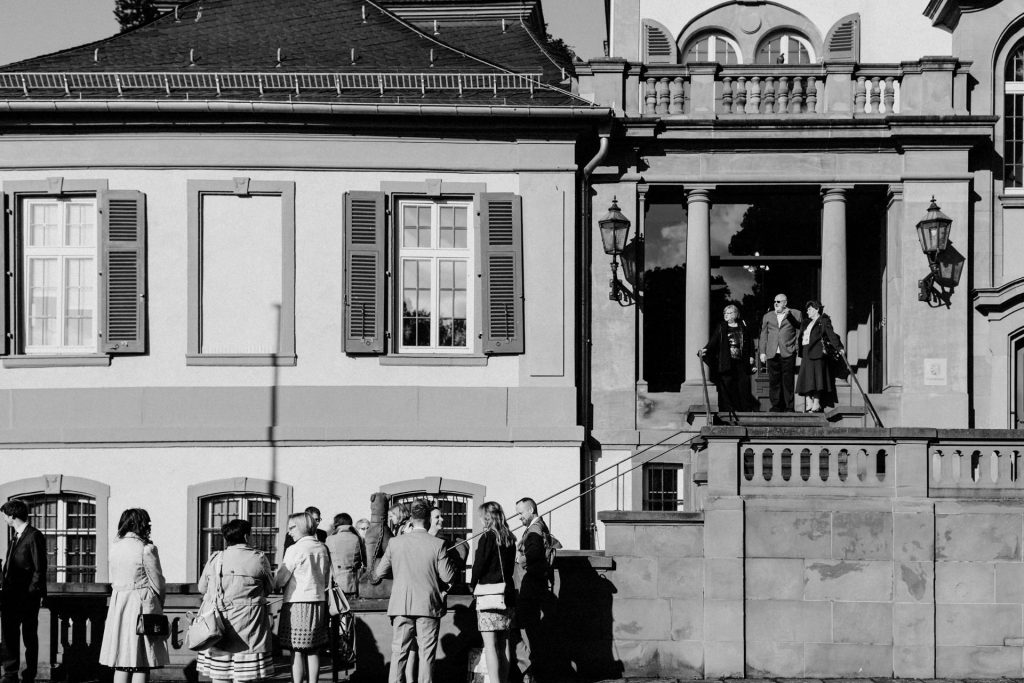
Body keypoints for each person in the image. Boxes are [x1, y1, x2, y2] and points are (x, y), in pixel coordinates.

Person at [371, 499, 454, 683]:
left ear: (411, 518)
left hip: (401, 604)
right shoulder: (437, 544)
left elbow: (379, 573)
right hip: (427, 605)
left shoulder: (395, 542)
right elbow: (448, 577)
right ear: (427, 519)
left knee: (399, 653)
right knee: (426, 655)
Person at [196, 519, 274, 683]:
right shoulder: (258, 558)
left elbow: (202, 588)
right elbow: (269, 587)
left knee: (220, 676)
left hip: (218, 625)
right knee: (244, 677)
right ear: (247, 536)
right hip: (249, 625)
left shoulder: (216, 558)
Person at [98, 508, 169, 683]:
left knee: (122, 661)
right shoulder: (146, 549)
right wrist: (159, 604)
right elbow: (157, 582)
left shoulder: (115, 547)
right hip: (140, 604)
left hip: (119, 604)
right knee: (141, 660)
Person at [275, 512, 331, 683]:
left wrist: (274, 583)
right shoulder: (322, 547)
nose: (289, 532)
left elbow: (282, 578)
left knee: (296, 649)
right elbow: (327, 577)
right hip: (319, 602)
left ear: (302, 527)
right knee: (314, 650)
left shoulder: (295, 549)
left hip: (296, 603)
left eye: (292, 527)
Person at [0, 500, 47, 683]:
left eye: (5, 515)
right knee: (9, 636)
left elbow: (40, 568)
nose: (4, 519)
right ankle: (10, 673)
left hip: (26, 597)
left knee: (29, 637)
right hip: (10, 596)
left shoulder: (33, 535)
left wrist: (31, 593)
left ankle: (29, 674)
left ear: (12, 515)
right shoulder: (16, 536)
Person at [471, 502, 517, 683]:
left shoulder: (487, 538)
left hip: (489, 596)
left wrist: (472, 584)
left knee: (490, 645)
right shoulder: (510, 538)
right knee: (504, 643)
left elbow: (479, 566)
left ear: (487, 517)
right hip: (507, 595)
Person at [513, 497, 554, 683]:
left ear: (530, 510)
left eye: (521, 513)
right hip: (538, 584)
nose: (519, 517)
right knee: (531, 629)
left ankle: (529, 669)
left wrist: (519, 559)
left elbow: (534, 553)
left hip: (531, 585)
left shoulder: (535, 530)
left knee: (521, 626)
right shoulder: (540, 527)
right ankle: (532, 669)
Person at [699, 304, 756, 421]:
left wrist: (751, 356)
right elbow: (713, 341)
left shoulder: (743, 325)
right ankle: (728, 411)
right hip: (727, 361)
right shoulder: (721, 327)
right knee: (727, 385)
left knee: (743, 385)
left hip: (741, 361)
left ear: (735, 314)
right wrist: (705, 349)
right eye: (725, 313)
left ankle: (745, 411)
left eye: (729, 313)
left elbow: (750, 342)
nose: (726, 315)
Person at [795, 299, 844, 413]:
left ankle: (816, 402)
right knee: (805, 378)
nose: (807, 312)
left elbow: (831, 335)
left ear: (817, 309)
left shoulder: (824, 320)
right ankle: (809, 401)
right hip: (806, 352)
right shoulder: (807, 322)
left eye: (810, 309)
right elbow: (798, 327)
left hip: (817, 353)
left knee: (817, 379)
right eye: (807, 310)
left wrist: (839, 348)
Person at [758, 293, 803, 412]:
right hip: (772, 352)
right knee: (774, 381)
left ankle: (789, 406)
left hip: (788, 351)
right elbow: (763, 335)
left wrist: (798, 350)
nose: (775, 304)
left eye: (778, 301)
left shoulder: (796, 313)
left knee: (788, 381)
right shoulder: (767, 316)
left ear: (785, 303)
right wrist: (762, 352)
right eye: (774, 301)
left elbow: (799, 333)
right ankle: (776, 406)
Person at [325, 513, 362, 597]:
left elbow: (326, 562)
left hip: (336, 583)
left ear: (336, 524)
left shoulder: (330, 539)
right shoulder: (357, 538)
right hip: (353, 582)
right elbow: (362, 559)